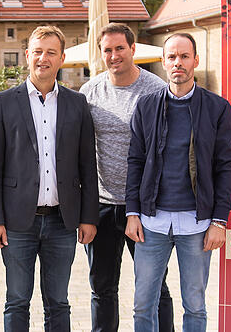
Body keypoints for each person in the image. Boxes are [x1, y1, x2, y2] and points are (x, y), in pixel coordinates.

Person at [0, 25, 98, 331]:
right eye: (37, 51)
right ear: (26, 56)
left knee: (58, 302)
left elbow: (87, 165)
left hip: (63, 221)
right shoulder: (4, 102)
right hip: (18, 222)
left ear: (61, 58)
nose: (42, 58)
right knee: (17, 300)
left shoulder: (77, 103)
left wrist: (89, 217)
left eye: (50, 52)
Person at [126, 33, 231, 332]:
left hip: (197, 224)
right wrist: (132, 212)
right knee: (142, 304)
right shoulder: (146, 106)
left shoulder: (217, 108)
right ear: (163, 62)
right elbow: (135, 161)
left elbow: (226, 167)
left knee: (196, 306)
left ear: (196, 61)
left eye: (184, 56)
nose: (178, 62)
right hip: (152, 222)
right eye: (172, 57)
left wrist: (219, 221)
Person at [79, 23, 174, 332]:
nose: (114, 55)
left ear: (133, 49)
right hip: (103, 205)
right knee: (102, 287)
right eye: (107, 50)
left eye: (120, 48)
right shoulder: (90, 91)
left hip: (146, 207)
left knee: (154, 287)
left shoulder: (157, 90)